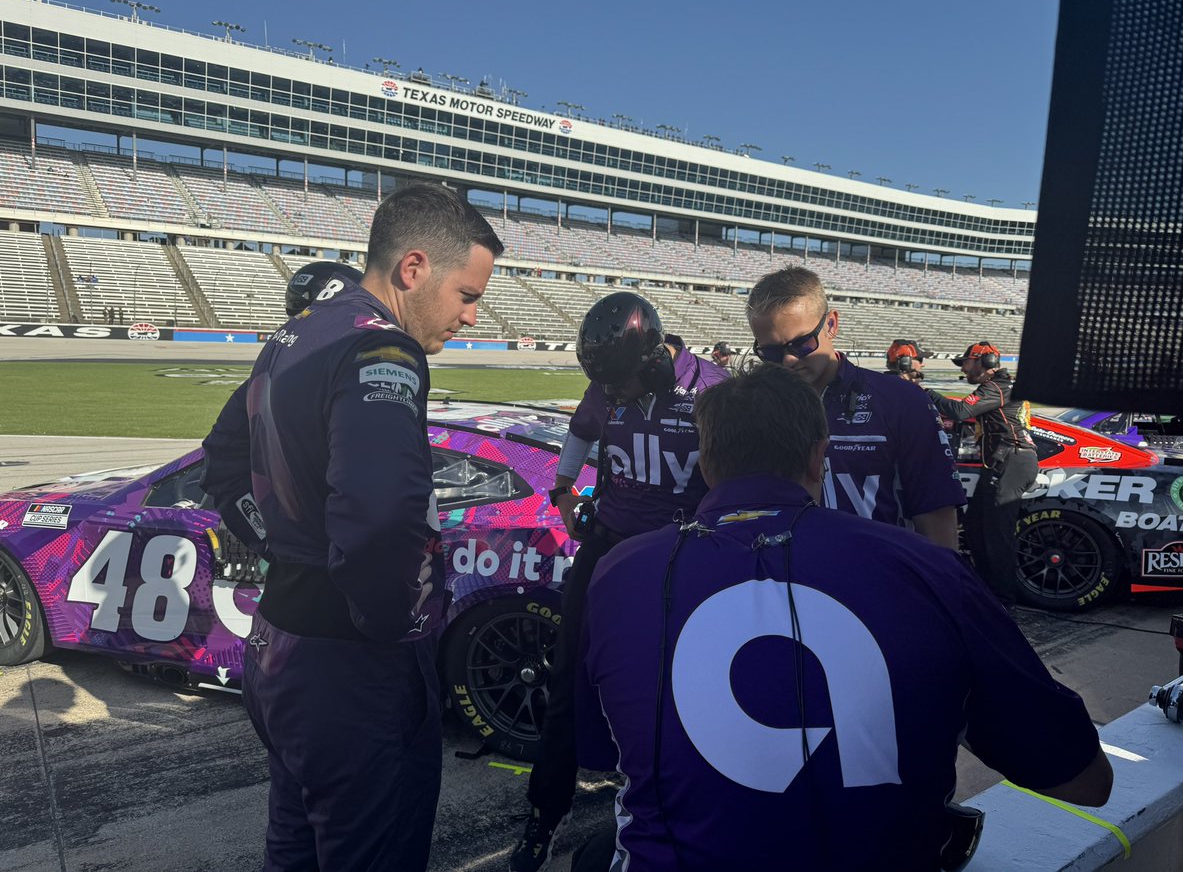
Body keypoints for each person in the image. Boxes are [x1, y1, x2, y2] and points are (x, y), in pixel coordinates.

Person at [573, 364, 1113, 871]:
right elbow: (1085, 781)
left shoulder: (621, 570)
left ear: (707, 461)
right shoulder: (924, 566)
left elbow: (599, 750)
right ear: (819, 456)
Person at [240, 184, 503, 872]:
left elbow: (221, 464)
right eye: (467, 295)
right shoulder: (383, 349)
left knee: (294, 847)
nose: (471, 316)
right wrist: (388, 625)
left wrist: (286, 555)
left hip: (278, 639)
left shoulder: (293, 334)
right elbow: (382, 516)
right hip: (351, 665)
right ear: (413, 269)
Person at [509, 292, 728, 872]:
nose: (609, 397)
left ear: (656, 362)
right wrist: (562, 489)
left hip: (687, 561)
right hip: (607, 550)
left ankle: (680, 817)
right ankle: (543, 818)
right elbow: (580, 431)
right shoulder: (607, 383)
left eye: (618, 387)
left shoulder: (714, 389)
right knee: (566, 689)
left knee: (686, 693)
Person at [746, 266, 964, 549]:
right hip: (787, 584)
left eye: (801, 344)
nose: (788, 360)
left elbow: (937, 521)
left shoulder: (901, 401)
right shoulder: (752, 406)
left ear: (831, 324)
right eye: (771, 352)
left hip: (878, 581)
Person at [201, 261, 364, 557]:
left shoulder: (270, 378)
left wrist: (273, 539)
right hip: (321, 568)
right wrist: (275, 541)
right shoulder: (274, 382)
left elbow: (220, 461)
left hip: (313, 569)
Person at [924, 342, 1039, 604]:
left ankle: (1003, 598)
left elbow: (961, 410)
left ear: (983, 362)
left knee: (997, 533)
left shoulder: (997, 388)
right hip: (1003, 462)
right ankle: (988, 588)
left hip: (1013, 461)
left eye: (965, 363)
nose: (964, 369)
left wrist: (926, 393)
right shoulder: (998, 388)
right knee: (975, 528)